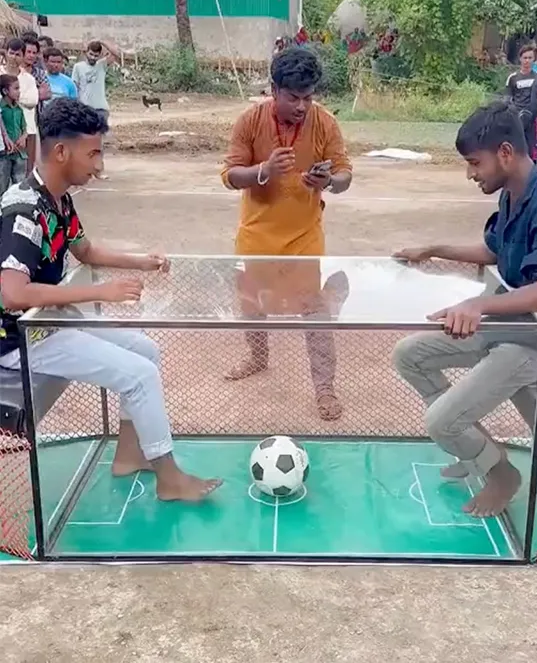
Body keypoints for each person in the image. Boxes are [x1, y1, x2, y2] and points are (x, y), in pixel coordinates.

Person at [0, 99, 222, 500]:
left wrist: (142, 263)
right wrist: (100, 292)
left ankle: (128, 454)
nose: (100, 165)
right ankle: (169, 478)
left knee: (145, 351)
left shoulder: (57, 199)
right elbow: (13, 294)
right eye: (94, 153)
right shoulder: (23, 211)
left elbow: (85, 251)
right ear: (62, 152)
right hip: (20, 340)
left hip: (49, 321)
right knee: (139, 375)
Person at [392, 102, 537, 517]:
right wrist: (434, 249)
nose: (470, 174)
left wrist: (478, 304)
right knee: (409, 355)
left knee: (441, 422)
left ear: (505, 153)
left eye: (473, 163)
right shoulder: (514, 193)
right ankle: (478, 452)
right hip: (508, 325)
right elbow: (494, 251)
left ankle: (501, 475)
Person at [220, 46, 354, 421]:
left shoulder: (325, 123)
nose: (301, 106)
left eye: (308, 98)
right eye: (293, 97)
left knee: (316, 311)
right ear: (273, 90)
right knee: (253, 303)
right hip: (257, 235)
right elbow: (231, 175)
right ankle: (258, 357)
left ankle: (325, 387)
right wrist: (263, 169)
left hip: (304, 237)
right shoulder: (249, 121)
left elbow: (345, 175)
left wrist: (329, 180)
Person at [505, 45, 537, 163]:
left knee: (531, 148)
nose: (527, 60)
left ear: (534, 59)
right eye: (525, 58)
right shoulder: (512, 78)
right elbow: (508, 100)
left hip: (533, 120)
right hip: (516, 118)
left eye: (530, 58)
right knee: (516, 146)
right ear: (520, 59)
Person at [4, 40, 37, 175]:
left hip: (26, 131)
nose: (13, 57)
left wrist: (9, 96)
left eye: (17, 54)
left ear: (22, 56)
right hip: (4, 132)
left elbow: (32, 101)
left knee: (24, 173)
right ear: (5, 53)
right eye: (11, 53)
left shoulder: (28, 79)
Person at [72, 40, 119, 123]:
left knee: (100, 135)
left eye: (96, 55)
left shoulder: (102, 65)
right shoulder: (78, 67)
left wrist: (102, 42)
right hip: (84, 109)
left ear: (100, 55)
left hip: (101, 109)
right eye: (91, 54)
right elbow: (75, 87)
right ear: (86, 52)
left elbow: (115, 53)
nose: (93, 57)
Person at [0, 75, 26, 193]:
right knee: (2, 185)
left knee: (20, 185)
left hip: (20, 153)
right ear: (5, 91)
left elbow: (25, 128)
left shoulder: (19, 108)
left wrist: (23, 137)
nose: (19, 92)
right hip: (5, 154)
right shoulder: (1, 109)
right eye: (16, 88)